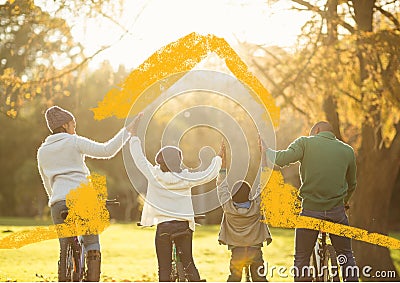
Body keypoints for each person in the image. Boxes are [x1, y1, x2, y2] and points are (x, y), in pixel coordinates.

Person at [37, 106, 140, 281]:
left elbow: (48, 183)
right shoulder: (74, 141)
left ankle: (65, 270)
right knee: (91, 241)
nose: (74, 129)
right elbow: (106, 150)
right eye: (73, 125)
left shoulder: (42, 151)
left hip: (58, 202)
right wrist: (127, 131)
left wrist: (55, 201)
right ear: (65, 125)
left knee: (64, 245)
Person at [129, 114, 223, 282]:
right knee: (188, 263)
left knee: (164, 269)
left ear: (160, 161)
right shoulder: (186, 178)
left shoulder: (154, 175)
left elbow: (138, 158)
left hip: (164, 227)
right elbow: (208, 174)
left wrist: (134, 136)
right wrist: (219, 158)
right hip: (183, 226)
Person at [265, 121, 358, 281]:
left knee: (301, 258)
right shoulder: (347, 151)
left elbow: (280, 159)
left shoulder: (305, 143)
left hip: (310, 211)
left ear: (317, 130)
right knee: (346, 256)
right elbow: (352, 184)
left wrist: (265, 149)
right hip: (337, 212)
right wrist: (345, 201)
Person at [217, 139, 272, 282]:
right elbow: (264, 182)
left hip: (237, 251)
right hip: (255, 250)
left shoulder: (228, 207)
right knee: (260, 278)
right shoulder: (257, 206)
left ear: (232, 196)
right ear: (249, 194)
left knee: (234, 277)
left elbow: (221, 185)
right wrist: (264, 157)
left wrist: (223, 163)